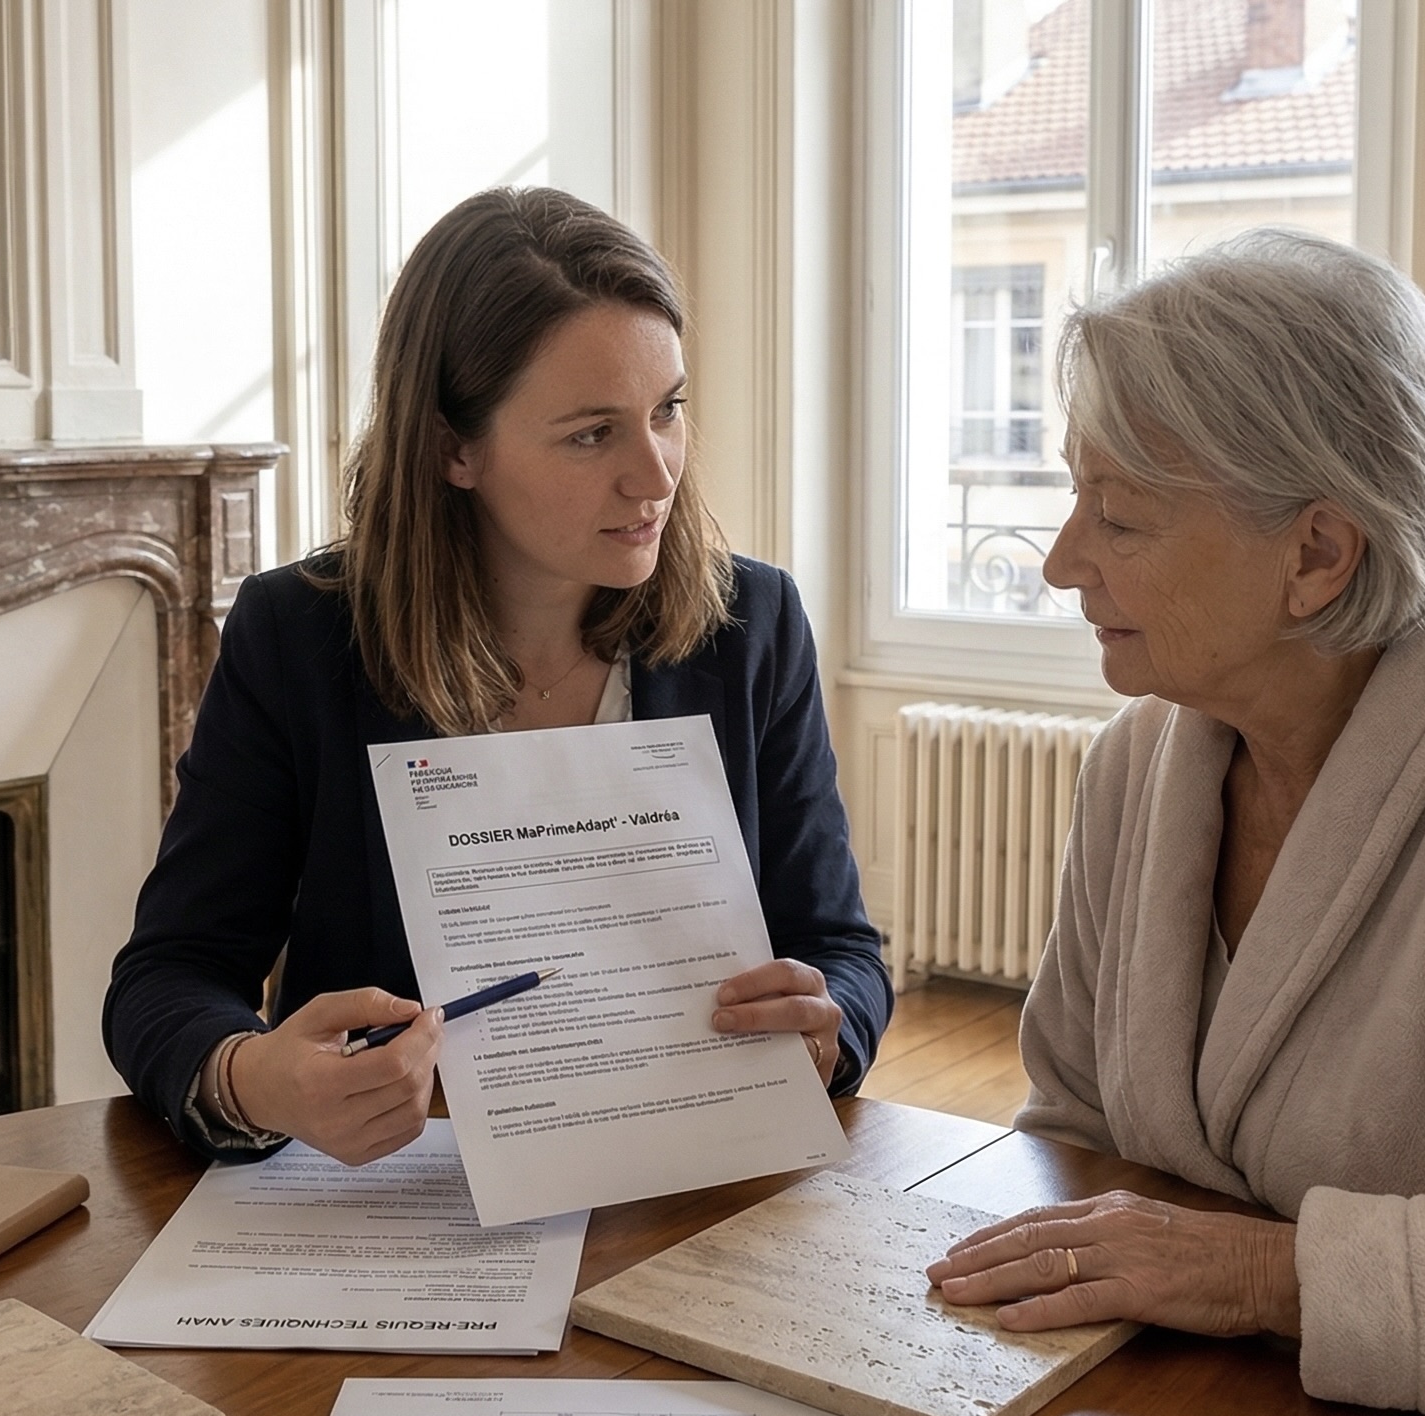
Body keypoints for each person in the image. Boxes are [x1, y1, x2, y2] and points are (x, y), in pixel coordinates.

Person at [104, 186, 890, 1170]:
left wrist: (827, 1027)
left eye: (668, 410)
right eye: (592, 433)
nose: (656, 474)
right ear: (453, 448)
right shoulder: (296, 637)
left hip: (687, 1183)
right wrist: (255, 1075)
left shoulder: (751, 625)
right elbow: (166, 976)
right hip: (410, 1199)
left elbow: (843, 955)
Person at [926, 229, 1425, 1416]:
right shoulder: (1141, 764)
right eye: (1071, 495)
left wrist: (1261, 1273)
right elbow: (1072, 1130)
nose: (1060, 562)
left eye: (1118, 517)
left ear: (1313, 552)